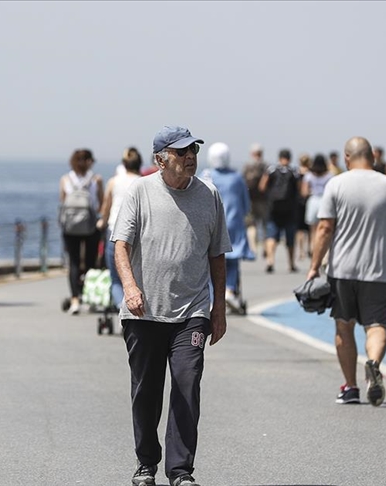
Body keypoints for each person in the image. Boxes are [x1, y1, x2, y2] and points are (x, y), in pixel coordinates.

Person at [111, 125, 230, 486]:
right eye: (181, 152)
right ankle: (146, 463)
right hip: (144, 311)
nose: (190, 156)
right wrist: (130, 287)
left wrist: (218, 309)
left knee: (186, 383)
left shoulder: (208, 195)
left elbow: (218, 256)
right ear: (160, 160)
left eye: (193, 149)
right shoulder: (139, 191)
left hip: (191, 313)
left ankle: (180, 471)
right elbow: (120, 245)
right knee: (146, 390)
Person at [307, 137, 386, 407]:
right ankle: (373, 363)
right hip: (378, 270)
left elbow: (325, 228)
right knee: (376, 325)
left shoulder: (336, 184)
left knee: (344, 325)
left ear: (346, 158)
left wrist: (315, 266)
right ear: (372, 156)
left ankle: (350, 387)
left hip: (343, 269)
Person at [202, 142, 255, 313]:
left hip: (211, 225)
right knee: (232, 260)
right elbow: (246, 205)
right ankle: (230, 290)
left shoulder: (206, 176)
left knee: (211, 261)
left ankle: (211, 298)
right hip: (234, 224)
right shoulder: (237, 178)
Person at [59, 148, 104, 315]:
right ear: (89, 161)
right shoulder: (96, 179)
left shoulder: (65, 179)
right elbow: (101, 203)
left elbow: (63, 202)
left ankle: (74, 299)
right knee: (91, 262)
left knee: (74, 262)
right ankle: (88, 296)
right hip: (91, 226)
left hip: (70, 228)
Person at [98, 146, 142, 309]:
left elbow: (105, 208)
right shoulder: (143, 182)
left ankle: (121, 309)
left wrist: (101, 222)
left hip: (115, 232)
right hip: (138, 233)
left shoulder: (114, 181)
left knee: (116, 278)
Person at [259, 149, 301, 273]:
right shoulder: (294, 171)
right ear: (290, 158)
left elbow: (262, 186)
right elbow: (300, 189)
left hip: (273, 208)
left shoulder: (271, 169)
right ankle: (291, 264)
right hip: (290, 209)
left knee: (271, 235)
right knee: (290, 237)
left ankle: (270, 261)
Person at [301, 153, 334, 258]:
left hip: (313, 200)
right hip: (325, 201)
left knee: (313, 229)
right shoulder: (329, 175)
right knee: (325, 227)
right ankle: (324, 251)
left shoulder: (309, 176)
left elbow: (304, 192)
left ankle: (312, 248)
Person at [241, 143, 269, 256]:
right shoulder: (265, 166)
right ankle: (265, 246)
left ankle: (253, 248)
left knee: (251, 225)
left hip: (250, 199)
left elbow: (242, 182)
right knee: (264, 223)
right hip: (263, 199)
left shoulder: (247, 166)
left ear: (252, 153)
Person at [295, 153, 312, 260]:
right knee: (310, 228)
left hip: (298, 202)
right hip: (309, 201)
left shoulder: (296, 173)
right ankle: (310, 248)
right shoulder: (311, 174)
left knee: (299, 229)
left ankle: (301, 251)